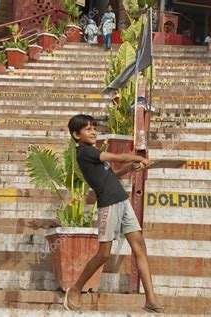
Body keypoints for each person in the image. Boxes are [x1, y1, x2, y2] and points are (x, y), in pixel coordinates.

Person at [64, 114, 164, 313]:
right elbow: (116, 157)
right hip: (109, 205)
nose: (93, 132)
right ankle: (75, 289)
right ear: (76, 135)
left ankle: (150, 299)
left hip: (123, 203)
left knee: (140, 248)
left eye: (94, 128)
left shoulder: (93, 153)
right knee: (103, 254)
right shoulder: (84, 153)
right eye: (87, 129)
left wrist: (130, 167)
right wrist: (139, 157)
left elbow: (111, 174)